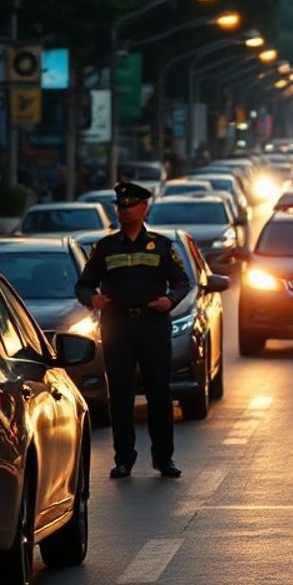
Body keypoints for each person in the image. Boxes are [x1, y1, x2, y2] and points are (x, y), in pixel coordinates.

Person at [75, 182, 191, 479]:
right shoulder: (105, 248)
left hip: (153, 325)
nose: (124, 210)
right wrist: (93, 299)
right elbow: (84, 284)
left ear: (144, 208)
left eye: (130, 205)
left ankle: (164, 459)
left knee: (159, 394)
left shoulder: (161, 245)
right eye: (120, 206)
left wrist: (170, 300)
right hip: (118, 326)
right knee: (120, 396)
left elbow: (181, 282)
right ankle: (124, 459)